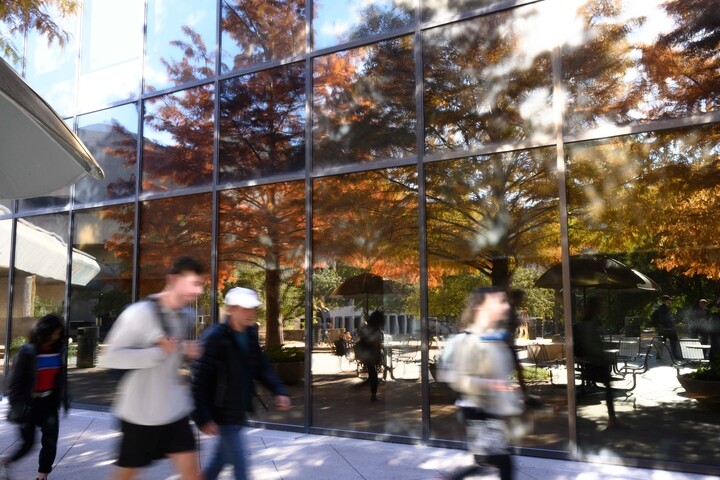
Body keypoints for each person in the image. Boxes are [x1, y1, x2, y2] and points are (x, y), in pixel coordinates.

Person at [98, 256, 205, 480]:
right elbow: (109, 357)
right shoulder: (139, 313)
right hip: (140, 414)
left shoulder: (188, 315)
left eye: (201, 285)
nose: (199, 291)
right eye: (194, 283)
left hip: (174, 409)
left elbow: (173, 354)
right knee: (125, 474)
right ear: (173, 280)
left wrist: (184, 351)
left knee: (193, 475)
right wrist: (156, 353)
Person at [192, 287, 291, 480]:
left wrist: (279, 390)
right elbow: (200, 382)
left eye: (252, 308)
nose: (250, 313)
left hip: (238, 410)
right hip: (222, 414)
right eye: (245, 308)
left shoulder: (250, 335)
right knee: (240, 466)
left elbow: (261, 367)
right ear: (231, 309)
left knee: (218, 462)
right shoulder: (215, 338)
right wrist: (203, 417)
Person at [438, 287, 523, 480]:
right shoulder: (469, 340)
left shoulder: (494, 336)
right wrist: (490, 385)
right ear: (481, 307)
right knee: (502, 460)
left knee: (490, 460)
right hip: (479, 410)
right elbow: (457, 378)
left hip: (491, 409)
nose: (505, 305)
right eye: (499, 301)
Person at [1, 314, 69, 480]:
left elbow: (61, 378)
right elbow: (14, 384)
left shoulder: (58, 351)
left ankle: (41, 477)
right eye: (55, 332)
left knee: (50, 442)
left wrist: (65, 399)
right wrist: (17, 406)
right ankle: (7, 461)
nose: (57, 336)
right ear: (45, 331)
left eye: (60, 333)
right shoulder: (28, 352)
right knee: (28, 444)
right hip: (29, 404)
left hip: (49, 402)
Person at [573, 297, 624, 430]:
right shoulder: (588, 324)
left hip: (593, 360)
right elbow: (589, 344)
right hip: (595, 361)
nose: (601, 308)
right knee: (607, 389)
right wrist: (601, 355)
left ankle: (612, 419)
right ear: (592, 307)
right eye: (599, 305)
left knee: (607, 389)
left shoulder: (590, 322)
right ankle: (612, 419)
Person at [355, 310, 385, 402]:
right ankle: (373, 394)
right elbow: (375, 342)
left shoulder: (366, 327)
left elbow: (360, 338)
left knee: (372, 372)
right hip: (371, 354)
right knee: (373, 373)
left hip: (363, 353)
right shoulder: (377, 329)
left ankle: (370, 388)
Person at [652, 294, 681, 360]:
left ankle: (659, 356)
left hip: (663, 328)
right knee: (673, 341)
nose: (670, 301)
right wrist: (670, 323)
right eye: (669, 300)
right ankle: (675, 356)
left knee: (662, 343)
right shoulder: (663, 308)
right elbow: (664, 318)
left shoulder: (662, 307)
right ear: (666, 300)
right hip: (666, 328)